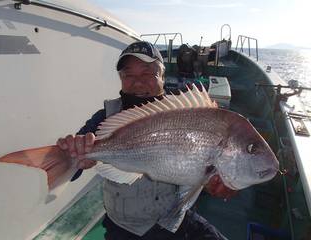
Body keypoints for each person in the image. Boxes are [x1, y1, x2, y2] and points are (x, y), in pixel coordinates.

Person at [57, 41, 236, 240]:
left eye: (147, 73)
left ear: (162, 76)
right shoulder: (106, 117)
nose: (138, 82)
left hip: (174, 218)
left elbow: (199, 173)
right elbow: (71, 170)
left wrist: (216, 182)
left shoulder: (183, 114)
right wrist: (76, 154)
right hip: (126, 227)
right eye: (128, 75)